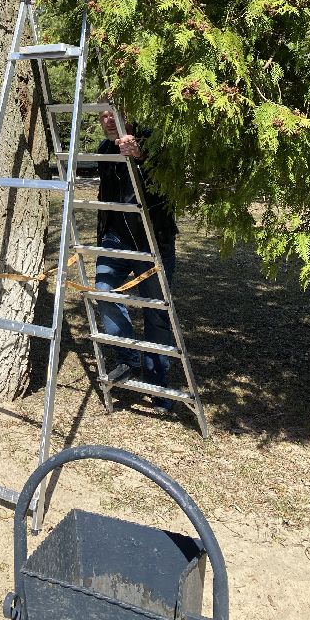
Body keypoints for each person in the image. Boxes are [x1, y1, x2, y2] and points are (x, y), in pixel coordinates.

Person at [95, 107, 177, 412]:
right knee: (103, 292)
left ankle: (158, 387)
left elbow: (167, 180)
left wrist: (141, 155)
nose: (106, 121)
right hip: (116, 238)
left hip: (154, 240)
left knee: (156, 312)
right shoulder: (104, 148)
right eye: (100, 115)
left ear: (127, 114)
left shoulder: (153, 141)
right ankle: (128, 357)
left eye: (110, 113)